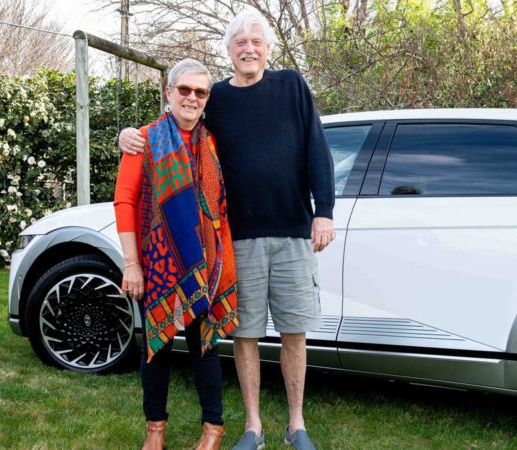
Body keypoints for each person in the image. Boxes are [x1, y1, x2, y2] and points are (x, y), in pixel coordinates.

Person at [119, 11, 335, 450]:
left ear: (268, 49)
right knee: (244, 334)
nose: (249, 48)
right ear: (229, 51)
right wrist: (129, 135)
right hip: (236, 241)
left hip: (293, 232)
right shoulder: (216, 98)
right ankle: (252, 426)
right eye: (240, 42)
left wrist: (323, 210)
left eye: (256, 41)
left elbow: (318, 148)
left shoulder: (292, 85)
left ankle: (296, 425)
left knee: (295, 332)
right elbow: (178, 128)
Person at [114, 58, 238, 450]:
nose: (192, 97)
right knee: (156, 349)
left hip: (205, 266)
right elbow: (124, 201)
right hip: (157, 263)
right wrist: (131, 264)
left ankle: (213, 429)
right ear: (169, 93)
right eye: (184, 89)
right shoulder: (144, 139)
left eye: (200, 92)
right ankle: (155, 429)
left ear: (206, 99)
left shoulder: (212, 142)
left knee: (205, 349)